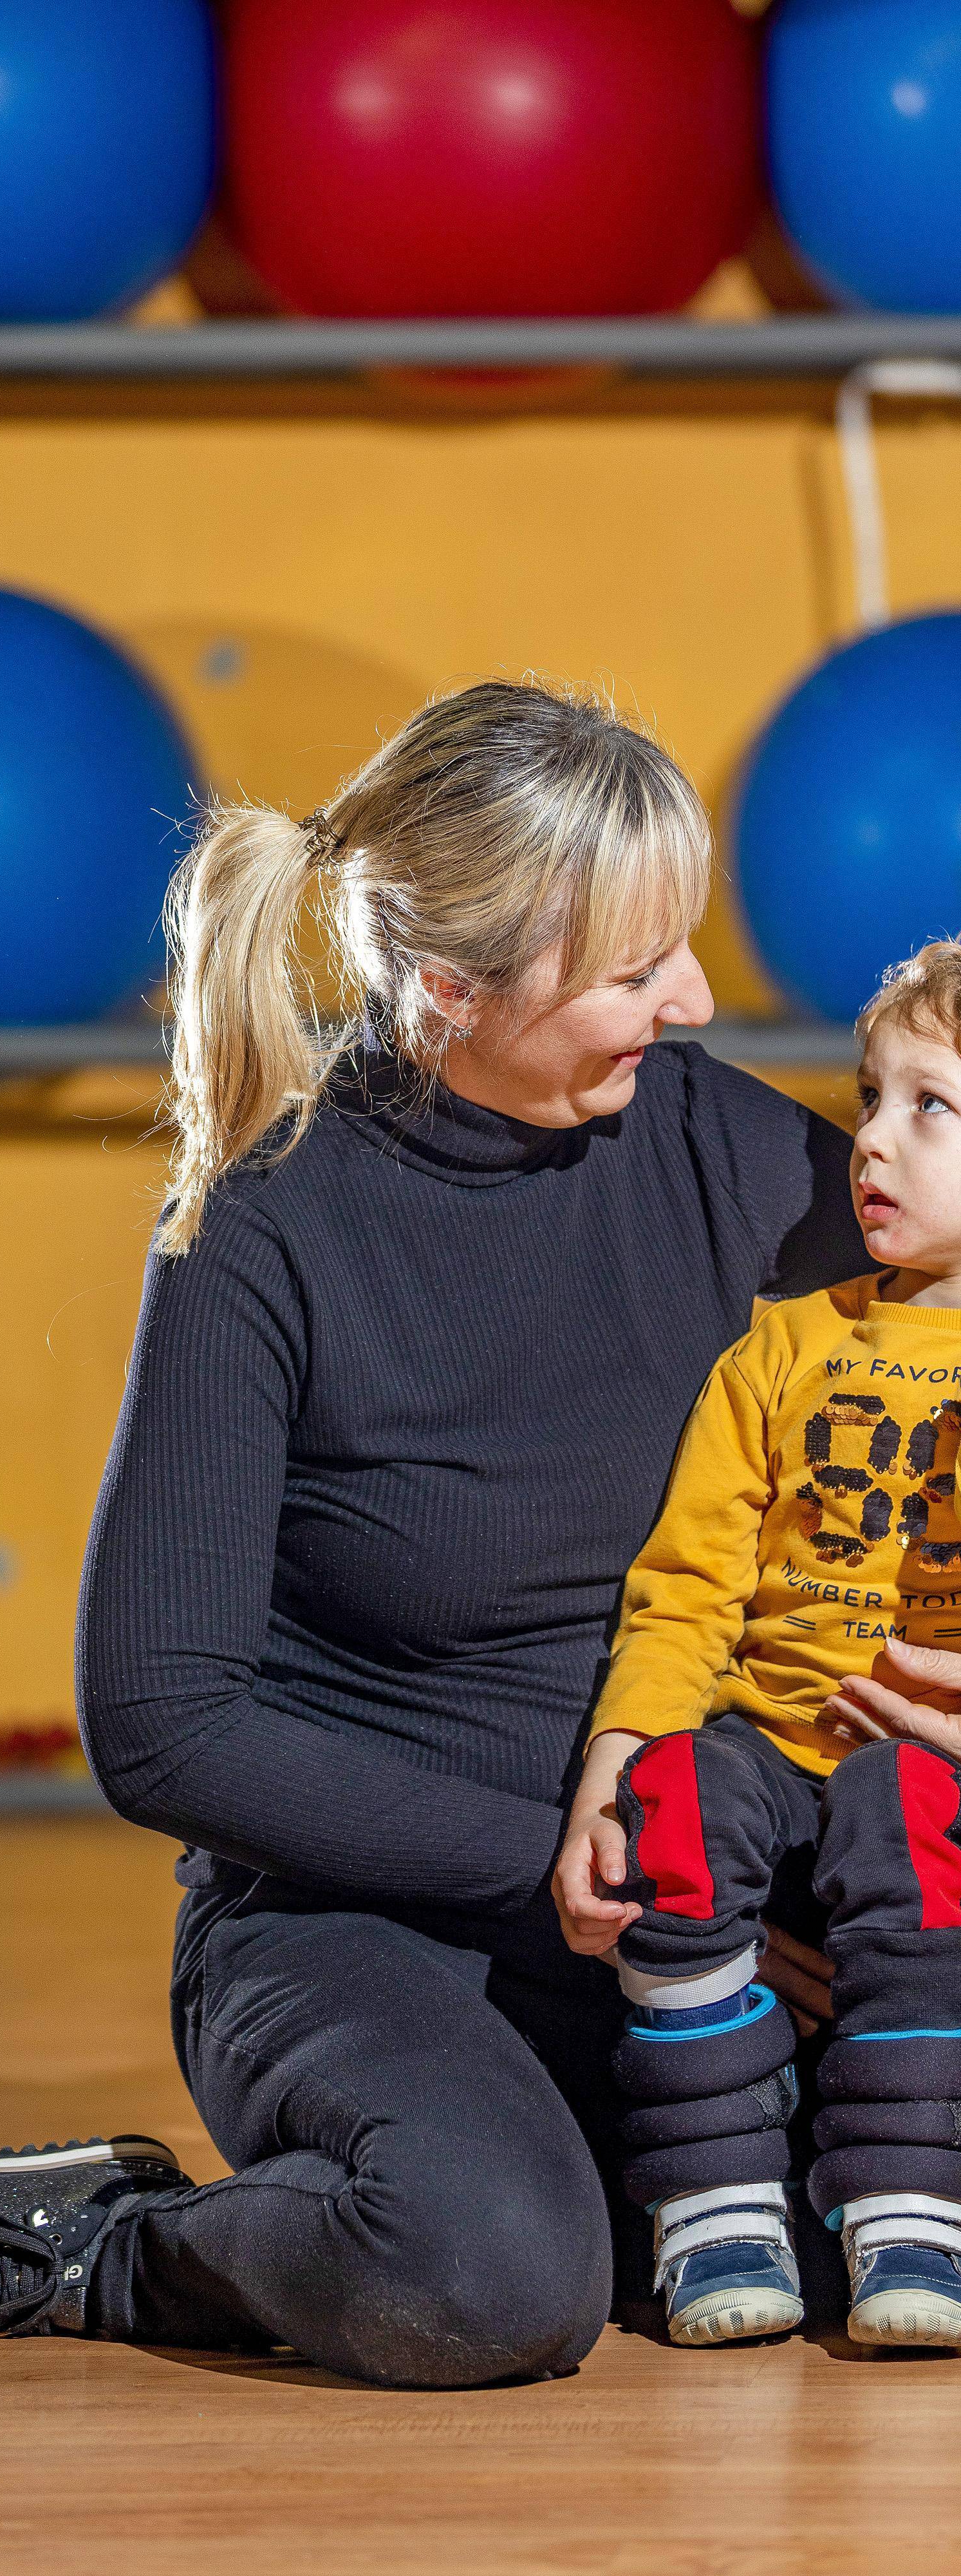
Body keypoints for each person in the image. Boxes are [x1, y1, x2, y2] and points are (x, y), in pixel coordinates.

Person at [0, 679, 864, 2383]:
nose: (697, 998)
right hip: (360, 1927)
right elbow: (164, 1722)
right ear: (448, 989)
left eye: (686, 943)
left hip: (691, 1911)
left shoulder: (739, 1161)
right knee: (488, 2276)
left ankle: (612, 2184)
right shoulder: (266, 1219)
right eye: (631, 968)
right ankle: (107, 2250)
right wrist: (558, 1860)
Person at [555, 938, 961, 2352]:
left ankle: (913, 2202)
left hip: (921, 1767)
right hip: (769, 1744)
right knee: (678, 1807)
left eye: (932, 1107)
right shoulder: (778, 1351)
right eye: (870, 1097)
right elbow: (687, 1589)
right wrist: (626, 1752)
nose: (873, 1141)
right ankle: (719, 2199)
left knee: (913, 1830)